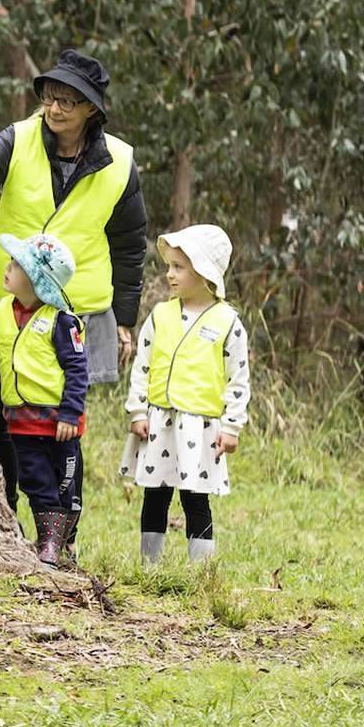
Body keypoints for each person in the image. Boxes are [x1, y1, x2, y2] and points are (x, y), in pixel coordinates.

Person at [0, 48, 147, 547]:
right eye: (51, 97)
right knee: (1, 414)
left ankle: (61, 535)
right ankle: (5, 518)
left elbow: (130, 246)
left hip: (80, 308)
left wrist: (125, 320)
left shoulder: (120, 163)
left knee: (62, 426)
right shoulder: (20, 138)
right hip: (11, 304)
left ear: (91, 109)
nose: (56, 109)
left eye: (69, 101)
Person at [118, 225, 248, 563]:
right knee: (155, 495)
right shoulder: (161, 315)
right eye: (169, 266)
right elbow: (142, 366)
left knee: (195, 498)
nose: (170, 274)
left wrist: (231, 426)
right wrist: (138, 411)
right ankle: (150, 564)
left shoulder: (226, 322)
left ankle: (201, 569)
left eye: (179, 267)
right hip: (160, 421)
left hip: (200, 427)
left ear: (204, 272)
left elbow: (238, 379)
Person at [0, 233, 88, 567]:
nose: (7, 268)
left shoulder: (61, 321)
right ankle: (47, 541)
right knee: (34, 479)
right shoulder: (1, 311)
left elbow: (77, 369)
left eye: (17, 265)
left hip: (59, 422)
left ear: (37, 280)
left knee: (65, 483)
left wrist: (70, 413)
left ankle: (63, 542)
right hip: (20, 420)